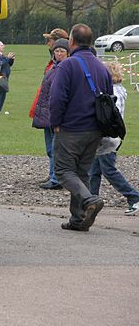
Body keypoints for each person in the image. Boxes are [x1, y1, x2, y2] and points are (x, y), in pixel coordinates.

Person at [49, 24, 111, 232]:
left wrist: (55, 122)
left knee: (64, 170)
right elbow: (110, 99)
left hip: (72, 128)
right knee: (81, 172)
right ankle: (78, 219)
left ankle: (89, 200)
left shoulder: (68, 65)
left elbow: (57, 98)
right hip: (95, 129)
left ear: (71, 42)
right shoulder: (102, 67)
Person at [89, 60, 139, 216]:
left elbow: (107, 115)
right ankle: (90, 200)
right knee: (94, 170)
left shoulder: (112, 93)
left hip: (108, 138)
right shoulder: (120, 89)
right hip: (111, 136)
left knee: (108, 170)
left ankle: (134, 197)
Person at [29, 28, 69, 184]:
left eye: (51, 40)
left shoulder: (65, 67)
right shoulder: (52, 65)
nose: (48, 44)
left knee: (55, 147)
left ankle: (57, 177)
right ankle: (53, 173)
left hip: (55, 113)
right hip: (47, 112)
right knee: (50, 148)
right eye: (55, 50)